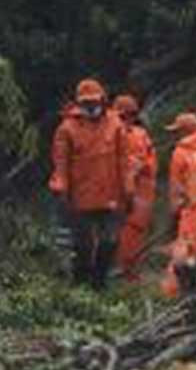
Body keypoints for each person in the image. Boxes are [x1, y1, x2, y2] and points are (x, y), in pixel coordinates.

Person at [48, 79, 134, 289]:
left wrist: (128, 189)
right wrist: (62, 193)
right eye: (86, 103)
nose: (91, 106)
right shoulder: (66, 129)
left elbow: (124, 160)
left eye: (95, 102)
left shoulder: (115, 125)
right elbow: (61, 164)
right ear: (79, 103)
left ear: (103, 101)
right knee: (83, 246)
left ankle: (99, 283)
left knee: (110, 242)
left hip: (111, 196)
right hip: (80, 199)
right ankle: (80, 285)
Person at [160, 113, 196, 298]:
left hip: (193, 210)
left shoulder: (180, 152)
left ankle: (171, 296)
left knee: (182, 256)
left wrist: (173, 218)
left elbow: (176, 192)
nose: (174, 136)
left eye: (177, 131)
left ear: (185, 131)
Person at [113, 94, 157, 281]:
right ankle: (128, 275)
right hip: (133, 197)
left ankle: (127, 276)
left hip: (131, 197)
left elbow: (149, 165)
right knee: (129, 237)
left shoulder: (125, 135)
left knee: (128, 237)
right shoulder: (141, 135)